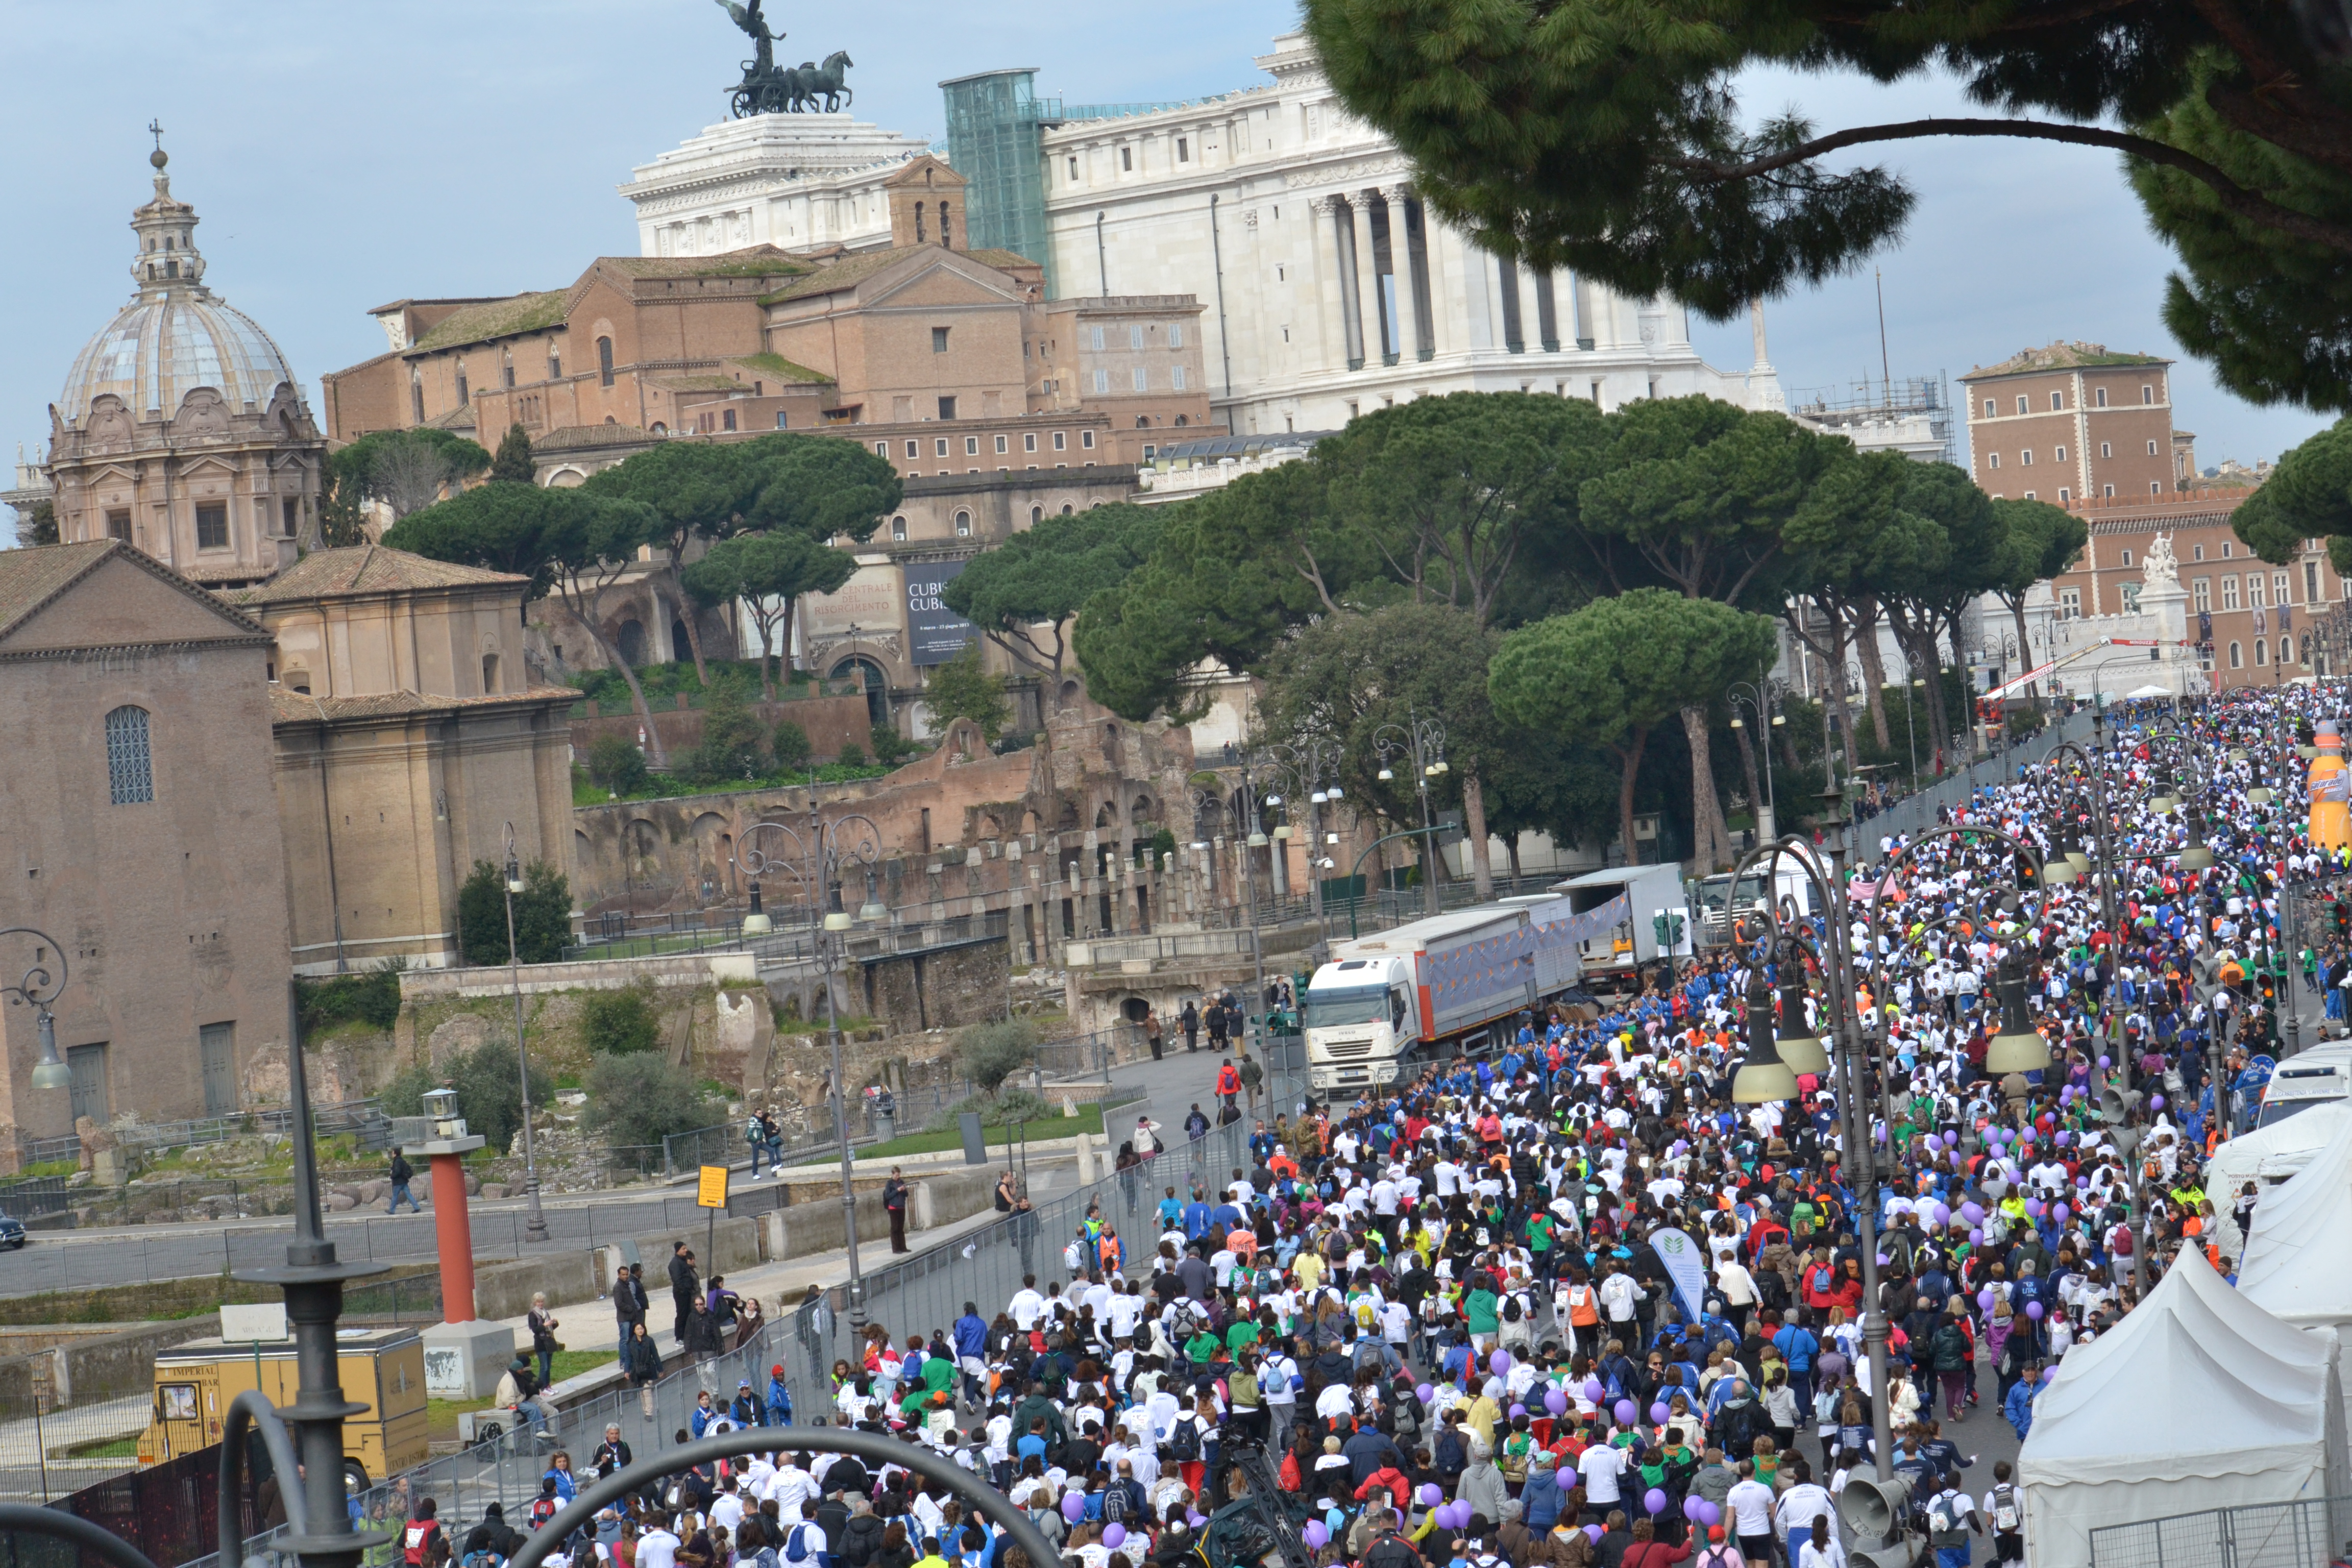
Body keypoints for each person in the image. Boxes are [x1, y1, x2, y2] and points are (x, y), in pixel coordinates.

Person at [1925, 1473, 1982, 1568]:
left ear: (1946, 1483)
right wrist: (1980, 1531)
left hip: (1941, 1540)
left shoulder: (1935, 1498)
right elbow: (1973, 1521)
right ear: (1960, 1484)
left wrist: (1930, 1538)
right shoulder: (1965, 1498)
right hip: (1961, 1539)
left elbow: (1925, 1523)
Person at [494, 1356, 553, 1441]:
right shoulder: (509, 1380)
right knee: (532, 1410)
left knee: (535, 1407)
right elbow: (507, 1398)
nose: (523, 1371)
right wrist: (513, 1406)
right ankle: (535, 1431)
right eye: (521, 1369)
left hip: (518, 1401)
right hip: (510, 1405)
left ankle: (540, 1429)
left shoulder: (515, 1377)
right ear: (516, 1370)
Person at [527, 1292, 560, 1389]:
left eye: (542, 1302)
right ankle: (542, 1388)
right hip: (540, 1343)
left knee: (549, 1367)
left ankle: (547, 1385)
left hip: (549, 1341)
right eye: (538, 1302)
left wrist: (554, 1324)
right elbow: (535, 1330)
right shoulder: (532, 1314)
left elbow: (550, 1328)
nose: (541, 1304)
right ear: (535, 1303)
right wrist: (545, 1325)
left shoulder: (545, 1312)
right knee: (544, 1367)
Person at [884, 1167, 911, 1254]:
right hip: (893, 1208)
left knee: (901, 1228)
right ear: (893, 1174)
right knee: (895, 1228)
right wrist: (897, 1190)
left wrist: (903, 1190)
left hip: (901, 1207)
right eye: (896, 1175)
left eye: (899, 1175)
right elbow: (888, 1196)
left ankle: (903, 1247)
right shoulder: (889, 1184)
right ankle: (896, 1249)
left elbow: (906, 1194)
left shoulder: (901, 1182)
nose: (898, 1177)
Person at [386, 1150, 421, 1215]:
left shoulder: (397, 1162)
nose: (392, 1154)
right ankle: (417, 1207)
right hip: (404, 1181)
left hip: (398, 1182)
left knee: (395, 1196)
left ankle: (392, 1210)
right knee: (409, 1195)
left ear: (395, 1154)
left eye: (393, 1153)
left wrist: (392, 1176)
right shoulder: (402, 1161)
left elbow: (398, 1171)